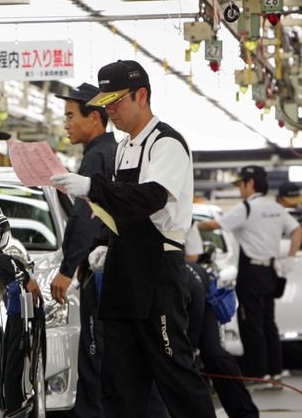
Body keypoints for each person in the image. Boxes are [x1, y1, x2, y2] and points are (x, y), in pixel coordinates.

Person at [51, 60, 216, 417]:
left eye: (116, 102)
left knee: (174, 370)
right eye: (105, 103)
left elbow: (150, 198)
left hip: (158, 271)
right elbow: (122, 207)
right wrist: (104, 244)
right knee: (119, 379)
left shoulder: (166, 143)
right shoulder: (124, 147)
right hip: (124, 270)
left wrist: (93, 187)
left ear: (141, 95)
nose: (110, 111)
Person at [48, 82, 117, 418]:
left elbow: (85, 218)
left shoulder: (97, 157)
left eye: (71, 116)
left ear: (95, 118)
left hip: (99, 273)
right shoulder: (107, 152)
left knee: (94, 358)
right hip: (104, 268)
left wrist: (65, 268)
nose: (66, 123)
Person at [197, 165, 302, 384]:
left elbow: (215, 224)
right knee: (268, 323)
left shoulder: (247, 208)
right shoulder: (276, 208)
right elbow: (297, 230)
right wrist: (290, 259)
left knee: (251, 323)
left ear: (250, 183)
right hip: (270, 271)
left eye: (241, 185)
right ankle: (275, 371)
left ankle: (258, 374)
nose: (240, 190)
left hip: (251, 272)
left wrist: (190, 225)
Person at [184, 227, 260, 417]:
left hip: (194, 287)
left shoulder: (186, 217)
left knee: (210, 355)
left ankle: (245, 413)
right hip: (182, 283)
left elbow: (193, 255)